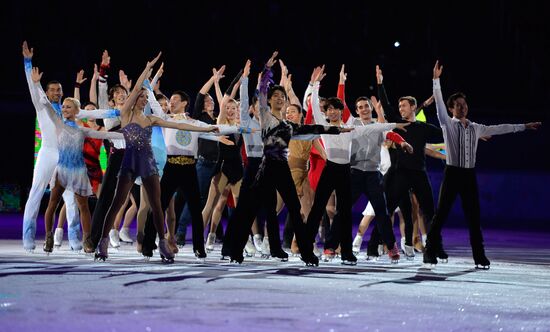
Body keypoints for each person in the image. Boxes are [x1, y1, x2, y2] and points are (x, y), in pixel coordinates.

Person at [95, 53, 219, 262]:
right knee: (117, 202)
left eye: (145, 98)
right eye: (141, 97)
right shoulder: (126, 113)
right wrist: (148, 68)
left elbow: (179, 125)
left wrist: (208, 128)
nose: (143, 100)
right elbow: (135, 89)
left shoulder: (151, 118)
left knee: (157, 205)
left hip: (148, 163)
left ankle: (162, 243)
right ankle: (103, 241)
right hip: (129, 162)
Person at [424, 61, 542, 269]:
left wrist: (524, 126)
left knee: (473, 217)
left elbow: (499, 128)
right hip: (452, 174)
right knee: (441, 214)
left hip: (469, 175)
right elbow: (439, 103)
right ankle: (430, 251)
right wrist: (436, 80)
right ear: (451, 109)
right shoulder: (447, 124)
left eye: (464, 104)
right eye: (458, 105)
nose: (462, 107)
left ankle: (479, 256)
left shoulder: (476, 128)